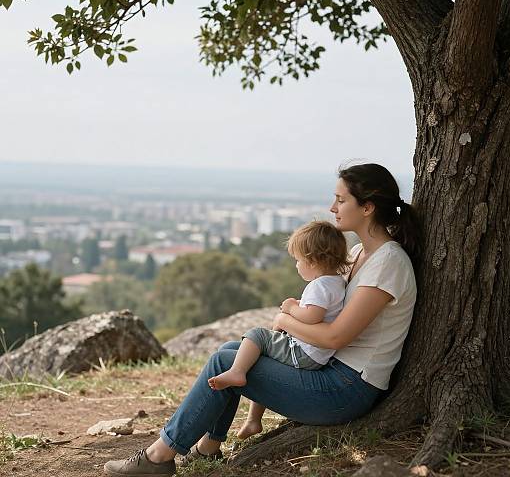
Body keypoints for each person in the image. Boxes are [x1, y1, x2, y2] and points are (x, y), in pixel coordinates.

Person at [104, 163, 420, 477]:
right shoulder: (357, 255)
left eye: (341, 200)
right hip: (333, 373)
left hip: (347, 389)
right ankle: (208, 448)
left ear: (366, 207)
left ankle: (158, 457)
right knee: (230, 352)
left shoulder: (387, 263)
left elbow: (336, 337)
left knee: (223, 362)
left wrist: (284, 319)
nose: (332, 207)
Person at [207, 220, 349, 440]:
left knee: (257, 335)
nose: (296, 265)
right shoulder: (336, 282)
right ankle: (253, 420)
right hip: (316, 355)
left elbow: (313, 316)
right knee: (260, 357)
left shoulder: (318, 286)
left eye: (298, 260)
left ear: (312, 261)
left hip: (304, 352)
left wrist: (291, 308)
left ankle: (237, 372)